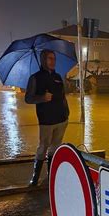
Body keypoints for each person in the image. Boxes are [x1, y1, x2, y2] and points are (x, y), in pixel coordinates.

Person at [25, 49, 69, 186]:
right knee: (42, 148)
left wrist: (67, 112)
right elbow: (28, 99)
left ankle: (51, 176)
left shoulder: (58, 77)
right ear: (43, 60)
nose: (52, 61)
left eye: (54, 58)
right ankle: (35, 177)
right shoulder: (35, 78)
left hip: (61, 119)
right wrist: (42, 98)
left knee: (54, 148)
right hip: (46, 120)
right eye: (49, 58)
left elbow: (62, 96)